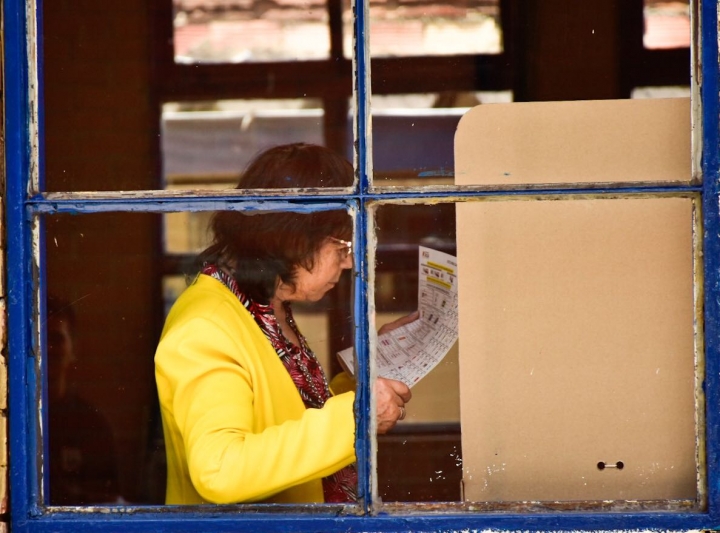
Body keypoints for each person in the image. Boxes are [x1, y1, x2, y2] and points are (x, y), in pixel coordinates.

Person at [155, 143, 412, 505]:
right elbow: (220, 469)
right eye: (342, 248)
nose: (349, 263)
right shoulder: (206, 327)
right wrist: (356, 418)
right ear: (293, 239)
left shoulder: (261, 304)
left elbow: (287, 419)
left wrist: (371, 376)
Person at [47, 295, 122, 505]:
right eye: (42, 340)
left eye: (57, 339)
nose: (49, 349)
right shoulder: (15, 422)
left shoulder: (93, 425)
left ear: (73, 349)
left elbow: (108, 502)